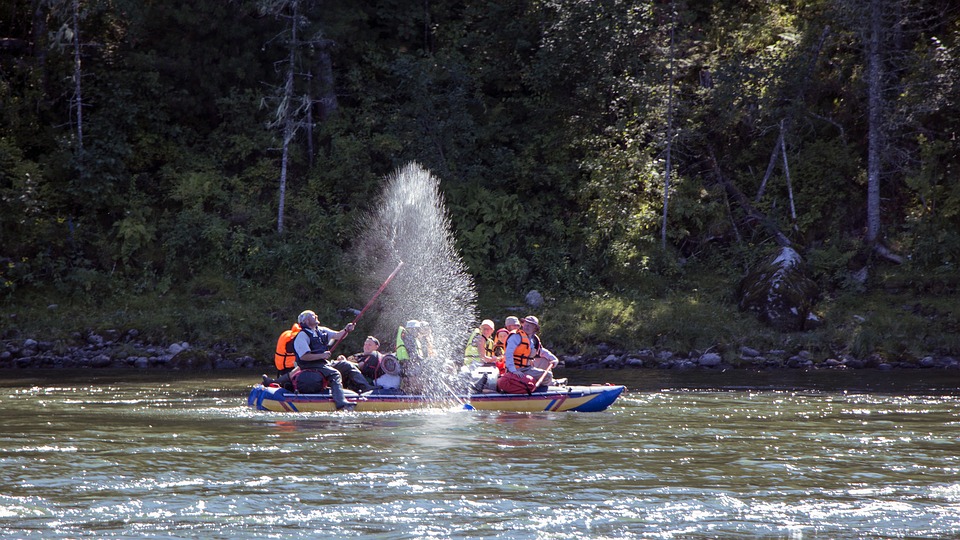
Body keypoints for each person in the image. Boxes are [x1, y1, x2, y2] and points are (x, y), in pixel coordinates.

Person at [263, 310, 358, 411]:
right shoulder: (302, 336)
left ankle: (273, 382)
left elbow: (338, 336)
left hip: (321, 364)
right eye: (313, 316)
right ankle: (341, 403)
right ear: (306, 321)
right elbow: (304, 357)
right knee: (335, 374)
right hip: (310, 364)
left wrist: (346, 330)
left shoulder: (322, 330)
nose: (316, 316)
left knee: (343, 365)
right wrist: (322, 355)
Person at [502, 315, 558, 388]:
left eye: (530, 325)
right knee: (548, 376)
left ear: (535, 328)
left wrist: (553, 359)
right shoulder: (516, 336)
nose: (527, 326)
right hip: (516, 370)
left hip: (527, 369)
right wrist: (513, 370)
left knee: (548, 375)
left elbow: (541, 351)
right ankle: (535, 390)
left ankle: (537, 389)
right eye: (526, 324)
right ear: (522, 324)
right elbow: (508, 354)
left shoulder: (533, 340)